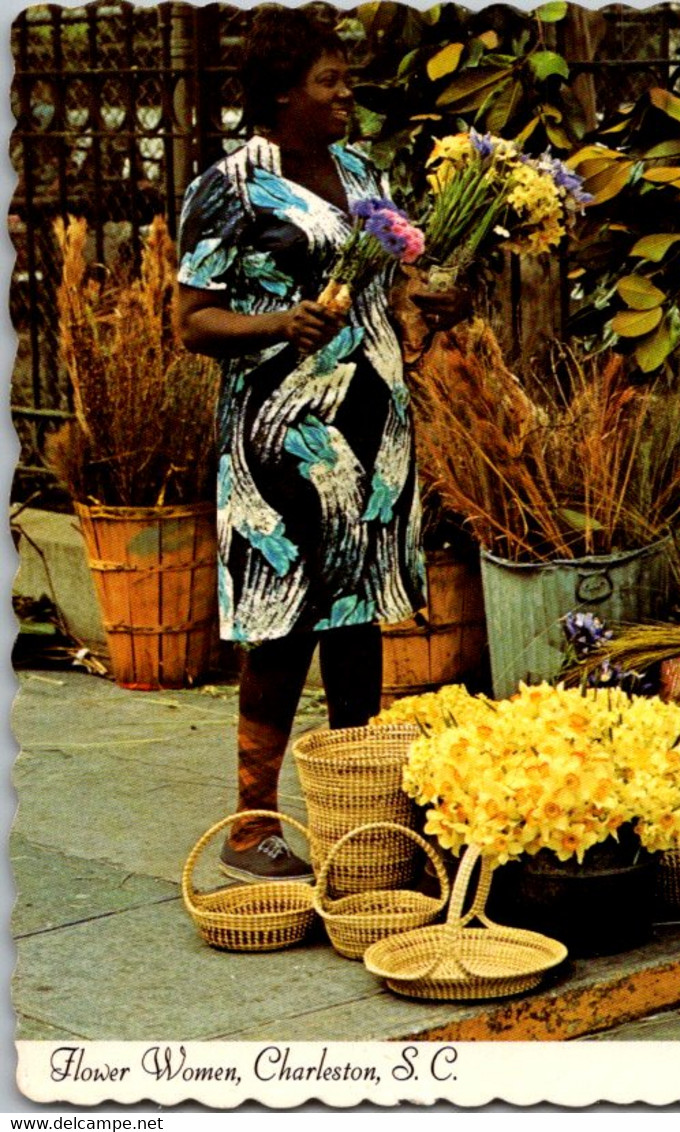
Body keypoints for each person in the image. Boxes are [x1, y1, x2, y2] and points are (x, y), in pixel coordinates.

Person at [176, 7, 460, 882]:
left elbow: (391, 279)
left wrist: (429, 299)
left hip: (373, 428)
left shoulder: (359, 170)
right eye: (330, 82)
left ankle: (356, 815)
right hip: (281, 432)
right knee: (282, 618)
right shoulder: (230, 187)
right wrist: (274, 322)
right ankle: (250, 825)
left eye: (347, 78)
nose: (347, 95)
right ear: (280, 94)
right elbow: (190, 321)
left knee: (357, 614)